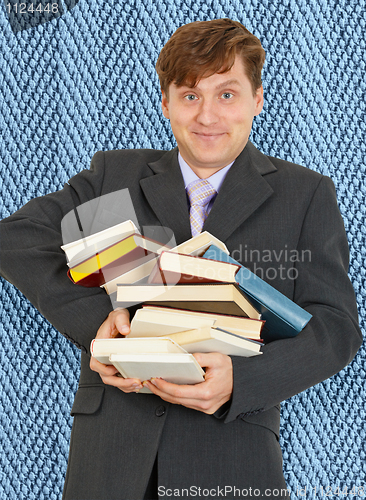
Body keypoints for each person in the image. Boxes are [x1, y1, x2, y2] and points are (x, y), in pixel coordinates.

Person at [0, 18, 362, 500]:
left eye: (227, 94)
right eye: (190, 95)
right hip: (110, 460)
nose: (207, 116)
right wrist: (101, 325)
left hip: (231, 455)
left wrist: (242, 380)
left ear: (257, 100)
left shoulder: (304, 195)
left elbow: (336, 328)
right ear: (167, 102)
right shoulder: (116, 179)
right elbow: (16, 237)